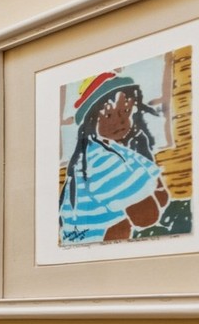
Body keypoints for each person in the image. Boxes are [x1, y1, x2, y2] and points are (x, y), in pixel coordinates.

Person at [58, 71, 169, 245]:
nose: (121, 121)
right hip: (99, 239)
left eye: (125, 111)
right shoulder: (99, 160)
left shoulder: (114, 148)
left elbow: (161, 198)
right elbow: (147, 216)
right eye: (109, 115)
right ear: (91, 121)